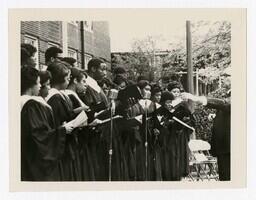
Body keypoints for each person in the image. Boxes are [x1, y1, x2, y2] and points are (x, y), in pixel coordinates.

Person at [21, 67, 73, 181]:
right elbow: (39, 136)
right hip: (35, 162)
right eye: (39, 83)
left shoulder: (22, 102)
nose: (40, 86)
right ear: (31, 84)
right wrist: (62, 130)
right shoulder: (31, 105)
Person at [181, 91, 231, 181]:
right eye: (228, 95)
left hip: (228, 149)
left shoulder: (231, 105)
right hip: (222, 149)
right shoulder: (225, 107)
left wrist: (196, 98)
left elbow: (222, 104)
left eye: (230, 96)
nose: (227, 98)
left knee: (228, 178)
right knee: (224, 177)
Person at [46, 61, 82, 181]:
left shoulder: (61, 95)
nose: (68, 81)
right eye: (67, 78)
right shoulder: (54, 97)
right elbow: (59, 120)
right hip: (62, 146)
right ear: (60, 79)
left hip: (66, 142)